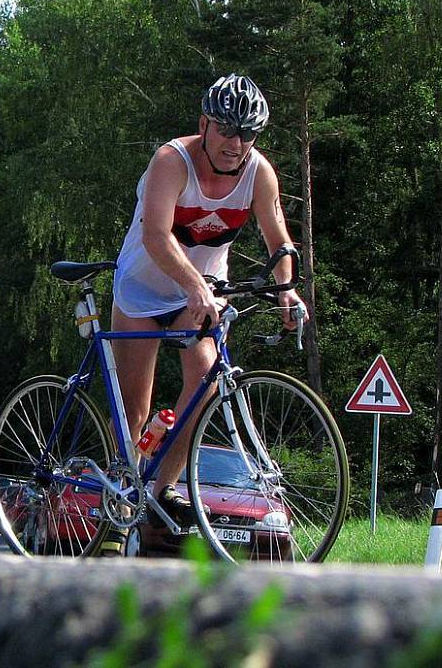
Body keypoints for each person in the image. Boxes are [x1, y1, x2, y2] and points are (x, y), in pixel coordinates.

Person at [106, 74, 308, 556]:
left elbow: (280, 241)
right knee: (134, 412)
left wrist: (286, 289)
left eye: (247, 134)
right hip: (142, 290)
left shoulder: (259, 173)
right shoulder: (171, 161)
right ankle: (120, 505)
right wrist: (193, 283)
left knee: (206, 380)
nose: (236, 144)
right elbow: (156, 236)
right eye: (225, 130)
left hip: (200, 296)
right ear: (204, 125)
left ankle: (161, 493)